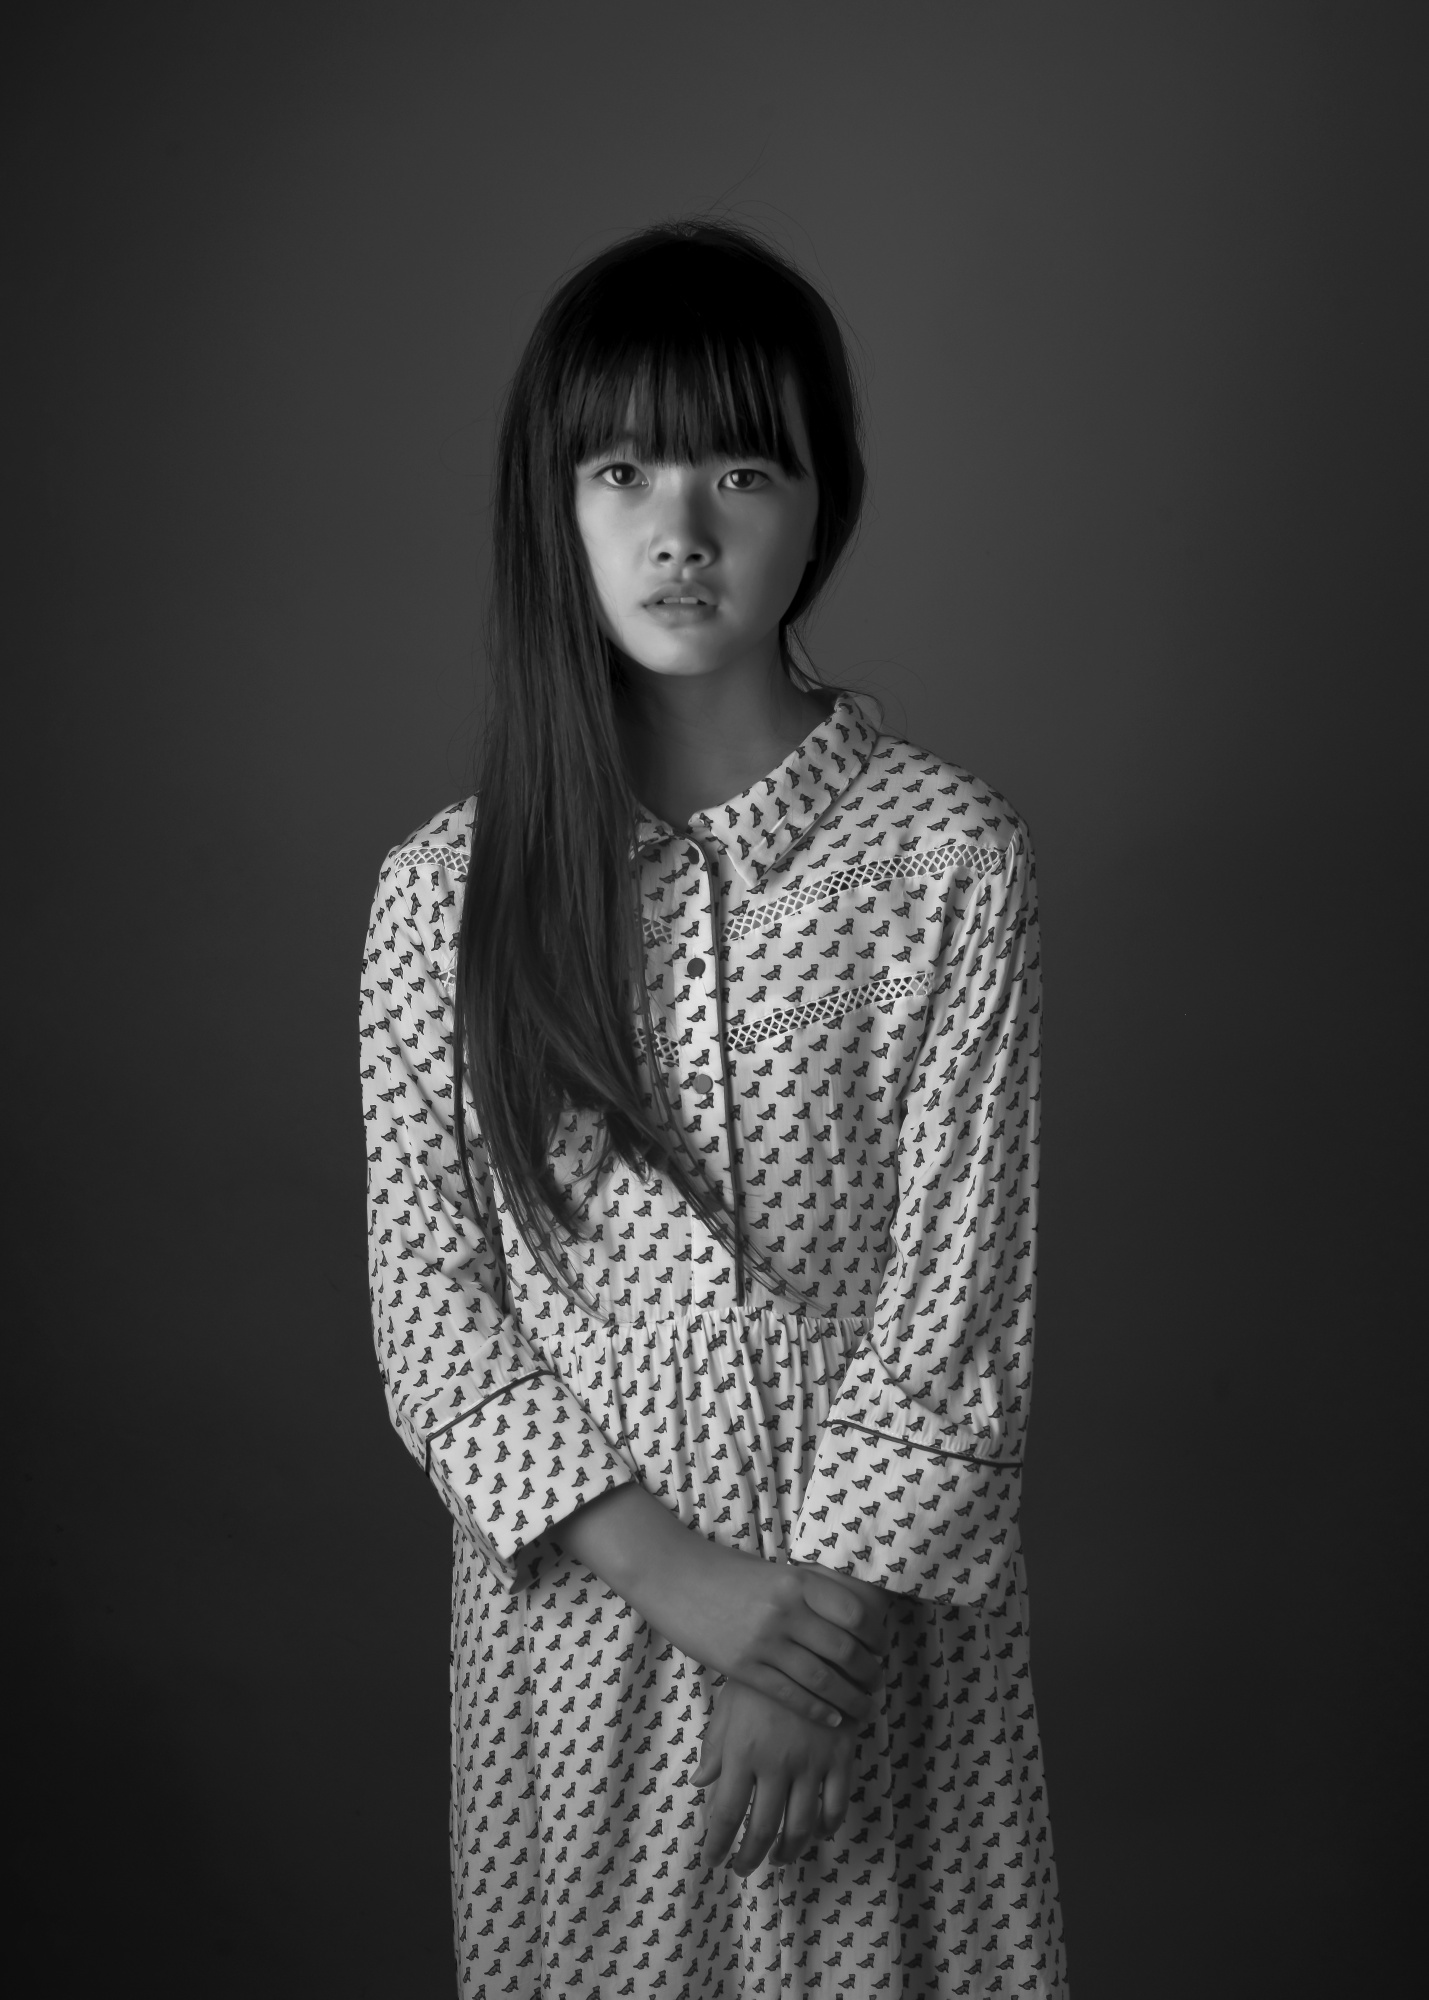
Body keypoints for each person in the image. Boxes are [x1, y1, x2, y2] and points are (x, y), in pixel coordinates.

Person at [361, 218, 1067, 1998]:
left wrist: (810, 1646)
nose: (680, 529)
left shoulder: (941, 858)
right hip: (582, 1633)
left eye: (741, 470)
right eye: (621, 472)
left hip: (868, 1630)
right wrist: (679, 1580)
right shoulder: (447, 894)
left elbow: (958, 1300)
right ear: (556, 505)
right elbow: (432, 1313)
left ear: (822, 505)